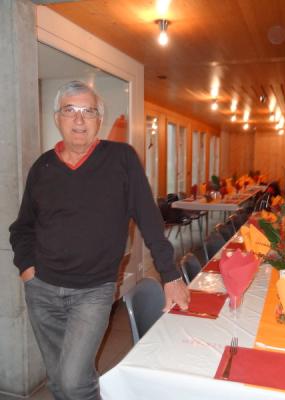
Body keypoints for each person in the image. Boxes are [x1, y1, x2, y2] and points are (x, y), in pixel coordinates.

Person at [9, 81, 189, 400]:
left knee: (73, 381)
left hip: (93, 291)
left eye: (88, 111)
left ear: (99, 120)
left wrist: (170, 274)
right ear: (57, 118)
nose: (79, 119)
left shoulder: (122, 159)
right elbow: (22, 227)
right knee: (58, 379)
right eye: (70, 110)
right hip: (42, 290)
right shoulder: (42, 167)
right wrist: (27, 270)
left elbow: (149, 219)